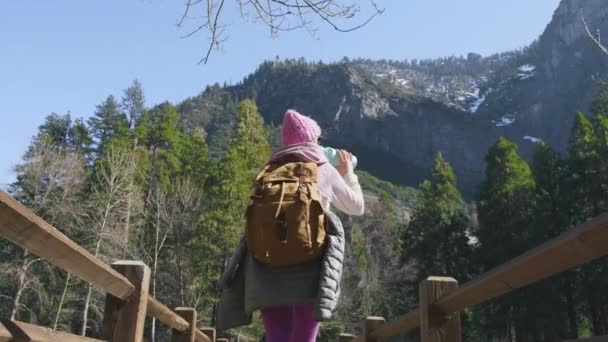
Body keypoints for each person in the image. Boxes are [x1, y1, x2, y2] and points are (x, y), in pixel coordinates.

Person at [215, 109, 364, 342]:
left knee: (278, 337)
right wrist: (348, 174)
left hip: (266, 267)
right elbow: (357, 206)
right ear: (313, 140)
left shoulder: (267, 171)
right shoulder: (322, 168)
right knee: (304, 338)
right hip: (309, 264)